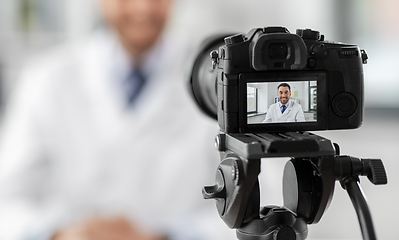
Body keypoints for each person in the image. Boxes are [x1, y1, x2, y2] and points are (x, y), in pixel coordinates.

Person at [0, 0, 236, 239]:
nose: (143, 8)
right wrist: (58, 232)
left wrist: (167, 236)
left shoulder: (219, 82)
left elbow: (257, 206)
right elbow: (6, 202)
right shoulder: (46, 79)